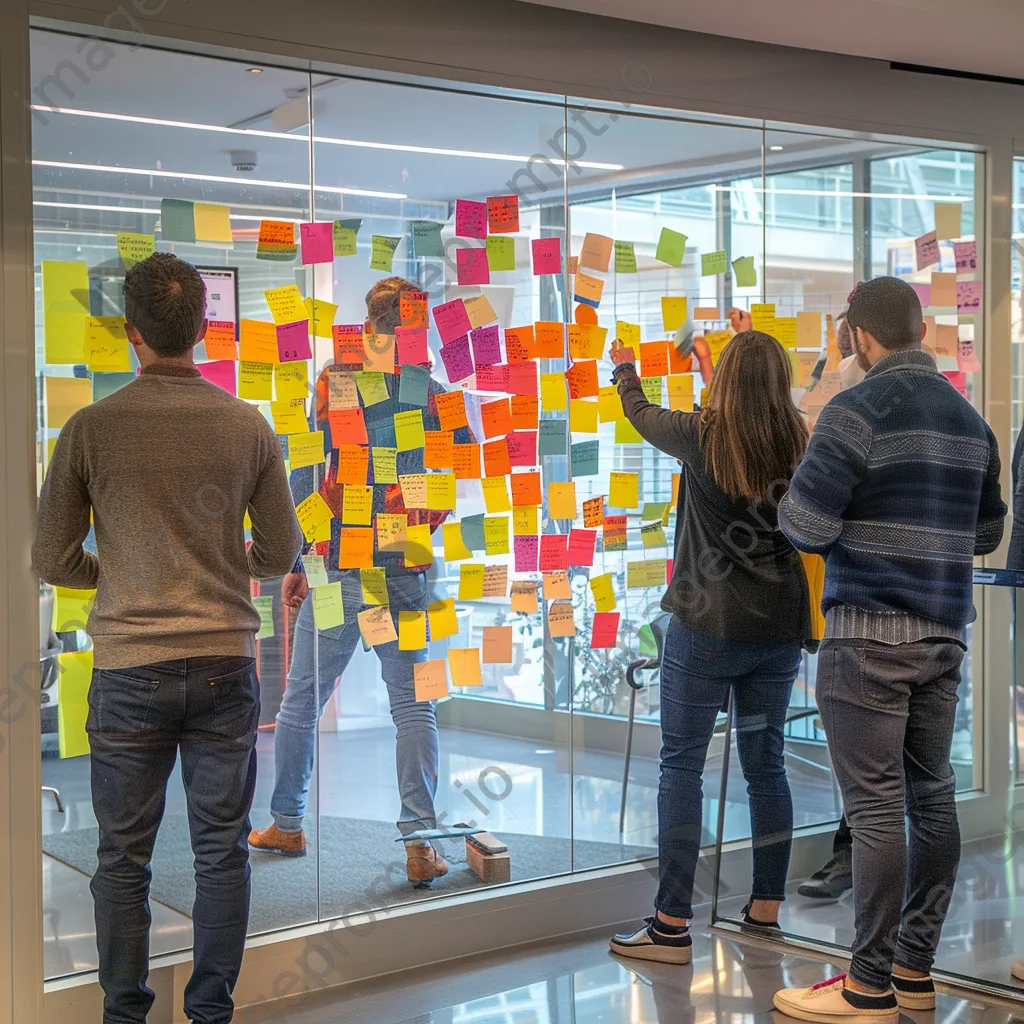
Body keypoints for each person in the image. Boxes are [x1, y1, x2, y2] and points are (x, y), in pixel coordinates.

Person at [32, 253, 303, 1024]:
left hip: (129, 670)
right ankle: (211, 1012)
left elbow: (51, 558)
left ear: (131, 334)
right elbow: (279, 552)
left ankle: (126, 1014)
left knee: (122, 859)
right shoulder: (246, 424)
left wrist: (117, 575)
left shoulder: (91, 428)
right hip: (225, 663)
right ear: (204, 328)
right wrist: (225, 566)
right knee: (221, 854)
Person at [774, 276, 1005, 1021]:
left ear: (857, 336)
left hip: (867, 637)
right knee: (930, 800)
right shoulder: (972, 424)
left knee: (873, 811)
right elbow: (985, 534)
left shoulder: (852, 412)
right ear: (920, 330)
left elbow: (804, 525)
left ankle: (866, 983)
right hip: (943, 637)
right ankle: (913, 972)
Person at [248, 277, 471, 885]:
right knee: (413, 704)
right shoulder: (433, 391)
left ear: (368, 323)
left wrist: (295, 563)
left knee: (301, 703)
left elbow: (303, 477)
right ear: (413, 324)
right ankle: (421, 845)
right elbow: (462, 469)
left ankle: (288, 823)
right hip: (402, 564)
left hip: (337, 564)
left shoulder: (333, 384)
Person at [606, 320, 812, 965]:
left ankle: (670, 924)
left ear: (723, 382)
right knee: (766, 764)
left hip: (707, 627)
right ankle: (766, 909)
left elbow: (640, 414)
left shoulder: (703, 437)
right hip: (776, 631)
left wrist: (624, 369)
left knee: (681, 767)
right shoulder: (799, 442)